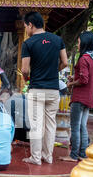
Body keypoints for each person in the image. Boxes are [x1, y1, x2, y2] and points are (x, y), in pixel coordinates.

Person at [21, 11, 68, 165]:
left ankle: (35, 158)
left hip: (37, 89)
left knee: (36, 125)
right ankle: (47, 156)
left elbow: (25, 70)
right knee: (50, 124)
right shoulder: (57, 40)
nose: (26, 30)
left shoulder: (28, 43)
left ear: (31, 25)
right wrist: (54, 71)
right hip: (54, 90)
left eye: (26, 26)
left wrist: (27, 79)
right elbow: (65, 63)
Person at [60, 31, 93, 162]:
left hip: (80, 97)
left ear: (84, 43)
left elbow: (83, 80)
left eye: (78, 42)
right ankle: (82, 153)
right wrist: (74, 77)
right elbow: (86, 77)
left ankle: (73, 155)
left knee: (75, 126)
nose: (78, 45)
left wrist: (71, 83)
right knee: (83, 125)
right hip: (89, 97)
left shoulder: (83, 59)